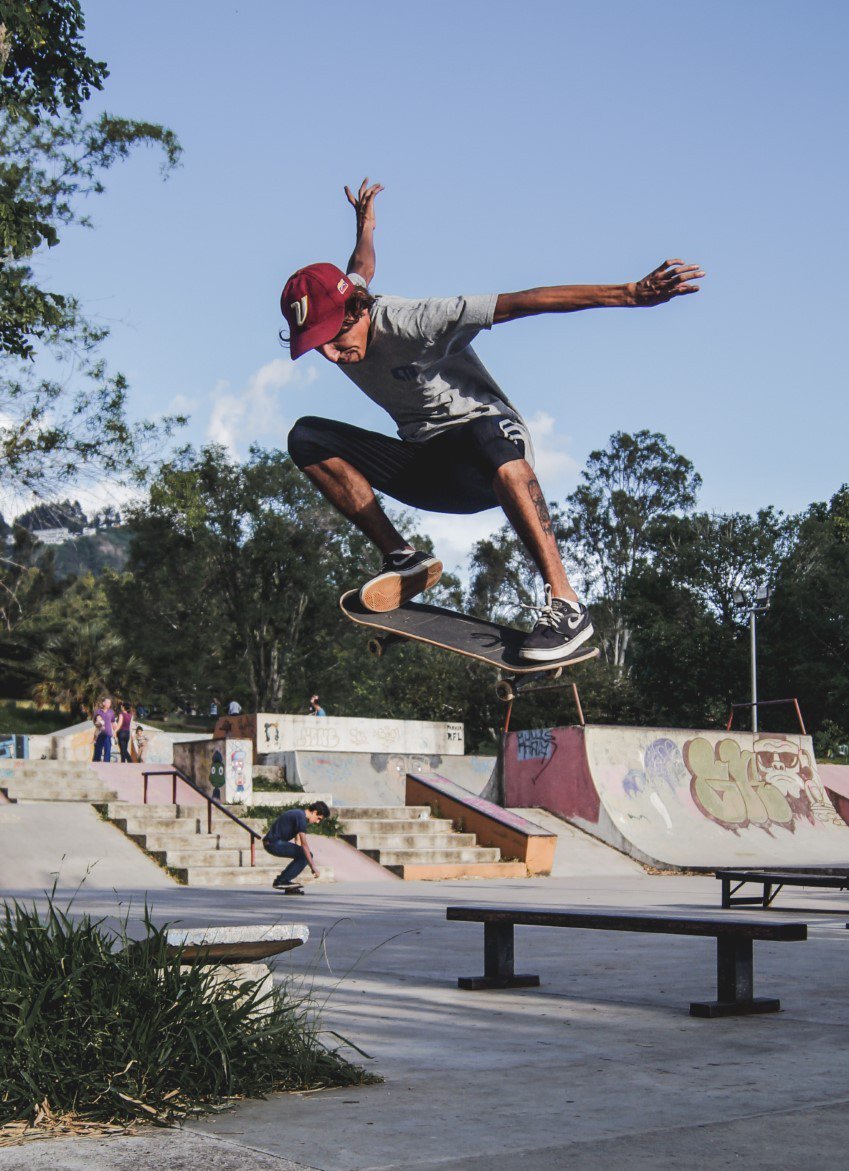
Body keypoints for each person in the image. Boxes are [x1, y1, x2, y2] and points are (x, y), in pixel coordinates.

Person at [281, 181, 704, 661]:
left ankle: (566, 604)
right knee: (306, 437)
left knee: (484, 430)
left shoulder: (419, 321)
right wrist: (367, 226)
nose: (334, 355)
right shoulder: (349, 297)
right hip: (429, 467)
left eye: (334, 339)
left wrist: (629, 293)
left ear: (357, 309)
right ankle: (404, 558)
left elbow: (521, 302)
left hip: (492, 454)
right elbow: (360, 267)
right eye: (318, 348)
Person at [262, 801, 330, 889]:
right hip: (273, 843)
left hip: (272, 842)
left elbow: (298, 841)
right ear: (315, 812)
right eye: (318, 818)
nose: (317, 822)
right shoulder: (301, 818)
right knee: (307, 855)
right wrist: (313, 867)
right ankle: (282, 880)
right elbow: (304, 844)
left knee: (303, 854)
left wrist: (299, 857)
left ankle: (284, 881)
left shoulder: (299, 815)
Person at [92, 696, 116, 762]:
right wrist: (98, 723)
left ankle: (106, 767)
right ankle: (96, 765)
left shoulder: (111, 712)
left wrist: (115, 732)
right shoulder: (98, 711)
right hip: (99, 734)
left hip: (108, 734)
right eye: (108, 702)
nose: (109, 704)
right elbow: (94, 722)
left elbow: (113, 722)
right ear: (103, 703)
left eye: (110, 702)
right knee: (97, 751)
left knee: (107, 752)